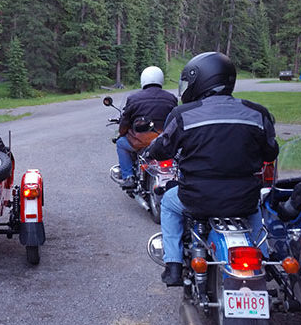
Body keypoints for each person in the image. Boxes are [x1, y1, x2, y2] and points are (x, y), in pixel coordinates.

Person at [146, 52, 279, 286]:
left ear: (200, 80)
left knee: (168, 202)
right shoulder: (258, 113)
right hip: (244, 198)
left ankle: (174, 265)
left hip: (197, 198)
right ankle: (266, 260)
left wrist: (151, 150)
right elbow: (271, 152)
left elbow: (163, 149)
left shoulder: (183, 114)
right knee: (255, 207)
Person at [116, 66, 177, 188]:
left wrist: (121, 133)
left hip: (141, 142)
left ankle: (128, 176)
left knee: (120, 143)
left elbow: (125, 122)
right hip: (164, 141)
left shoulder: (133, 98)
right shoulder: (171, 98)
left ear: (143, 79)